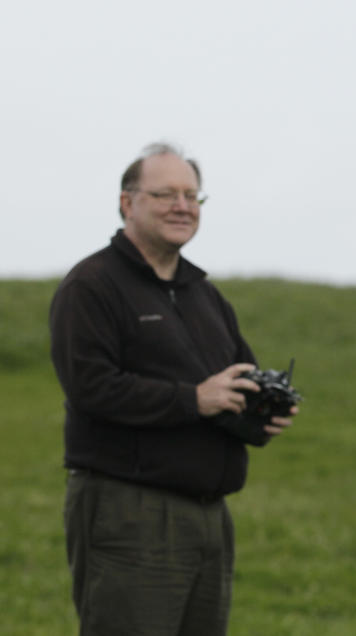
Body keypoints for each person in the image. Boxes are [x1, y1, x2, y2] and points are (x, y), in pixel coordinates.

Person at [49, 142, 297, 635]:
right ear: (127, 203)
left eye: (191, 195)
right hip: (130, 510)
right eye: (165, 194)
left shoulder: (205, 296)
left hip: (208, 517)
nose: (182, 206)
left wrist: (259, 414)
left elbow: (230, 383)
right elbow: (91, 388)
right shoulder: (92, 286)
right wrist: (193, 399)